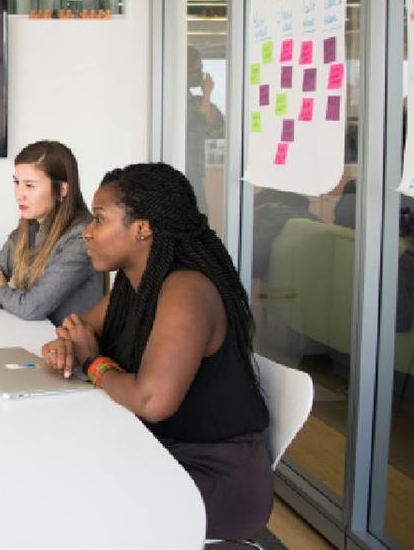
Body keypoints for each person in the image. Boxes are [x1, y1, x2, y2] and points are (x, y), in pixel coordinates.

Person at [43, 162, 272, 539]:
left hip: (209, 478)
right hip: (156, 448)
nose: (87, 232)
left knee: (68, 504)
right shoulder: (135, 284)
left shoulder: (186, 290)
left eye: (99, 219)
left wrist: (91, 360)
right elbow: (76, 328)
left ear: (143, 228)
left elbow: (152, 401)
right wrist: (65, 345)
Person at [0, 140, 102, 323]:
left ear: (62, 189)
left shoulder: (80, 238)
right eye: (17, 183)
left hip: (66, 345)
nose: (19, 194)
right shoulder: (31, 223)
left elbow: (31, 307)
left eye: (30, 185)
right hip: (39, 336)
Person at [187, 46, 225, 213]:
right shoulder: (177, 99)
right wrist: (208, 92)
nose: (202, 75)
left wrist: (206, 98)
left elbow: (217, 127)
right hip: (187, 172)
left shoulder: (196, 101)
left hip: (193, 172)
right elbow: (197, 123)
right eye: (197, 70)